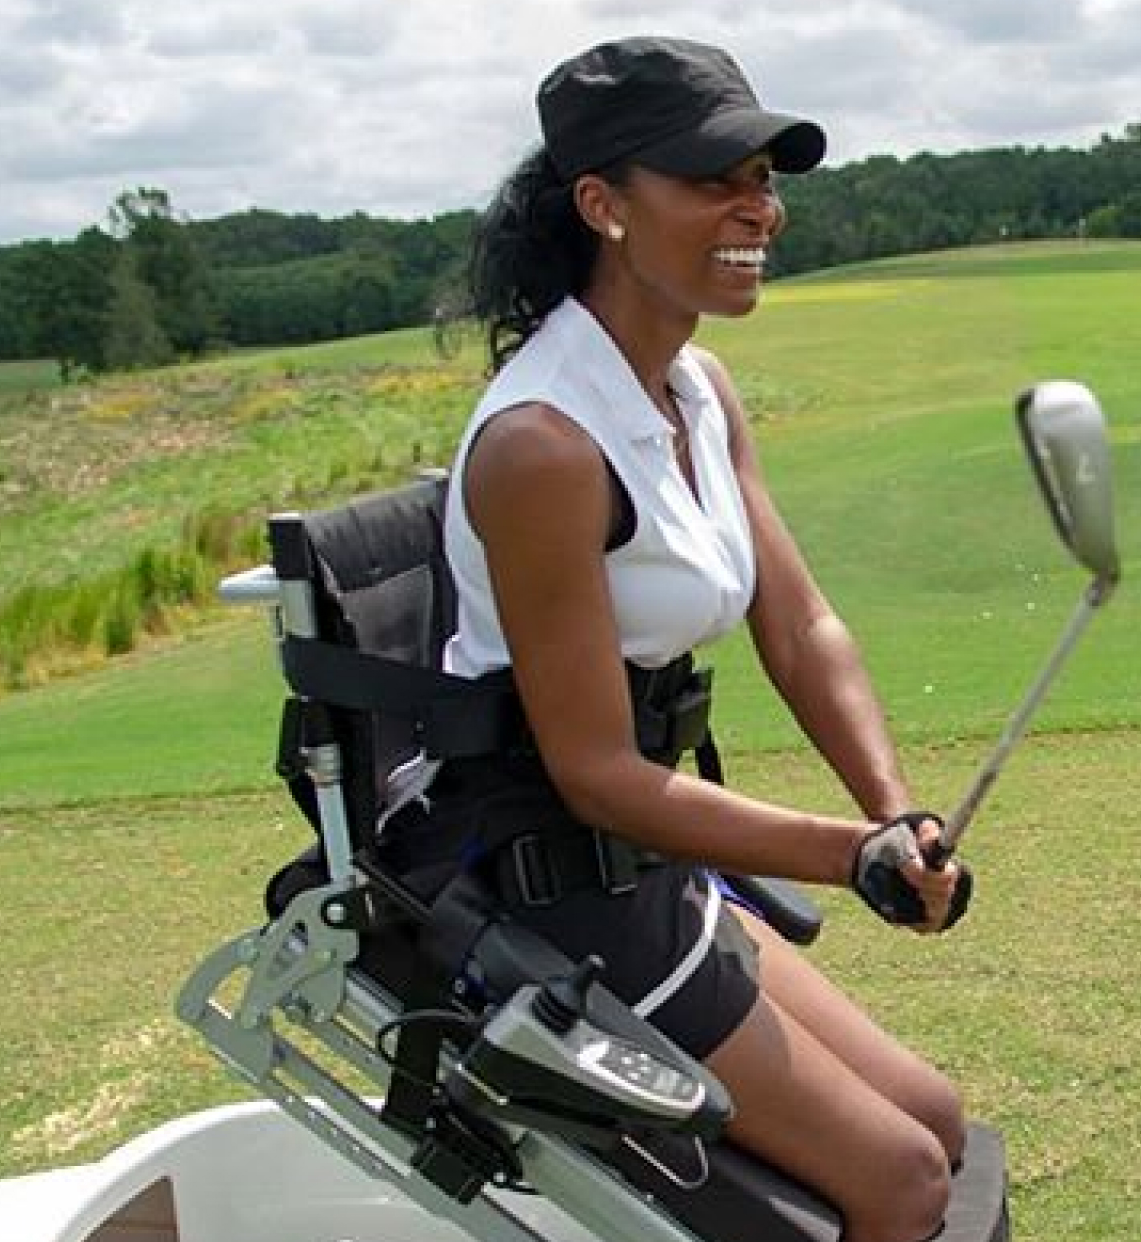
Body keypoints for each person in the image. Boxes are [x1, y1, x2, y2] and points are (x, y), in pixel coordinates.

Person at [407, 35, 974, 1242]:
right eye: (714, 178)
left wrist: (896, 811)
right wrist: (847, 855)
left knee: (937, 1119)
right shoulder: (545, 444)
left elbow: (798, 620)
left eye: (763, 177)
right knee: (902, 1183)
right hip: (555, 886)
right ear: (602, 206)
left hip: (646, 866)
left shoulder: (698, 392)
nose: (756, 208)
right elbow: (594, 773)